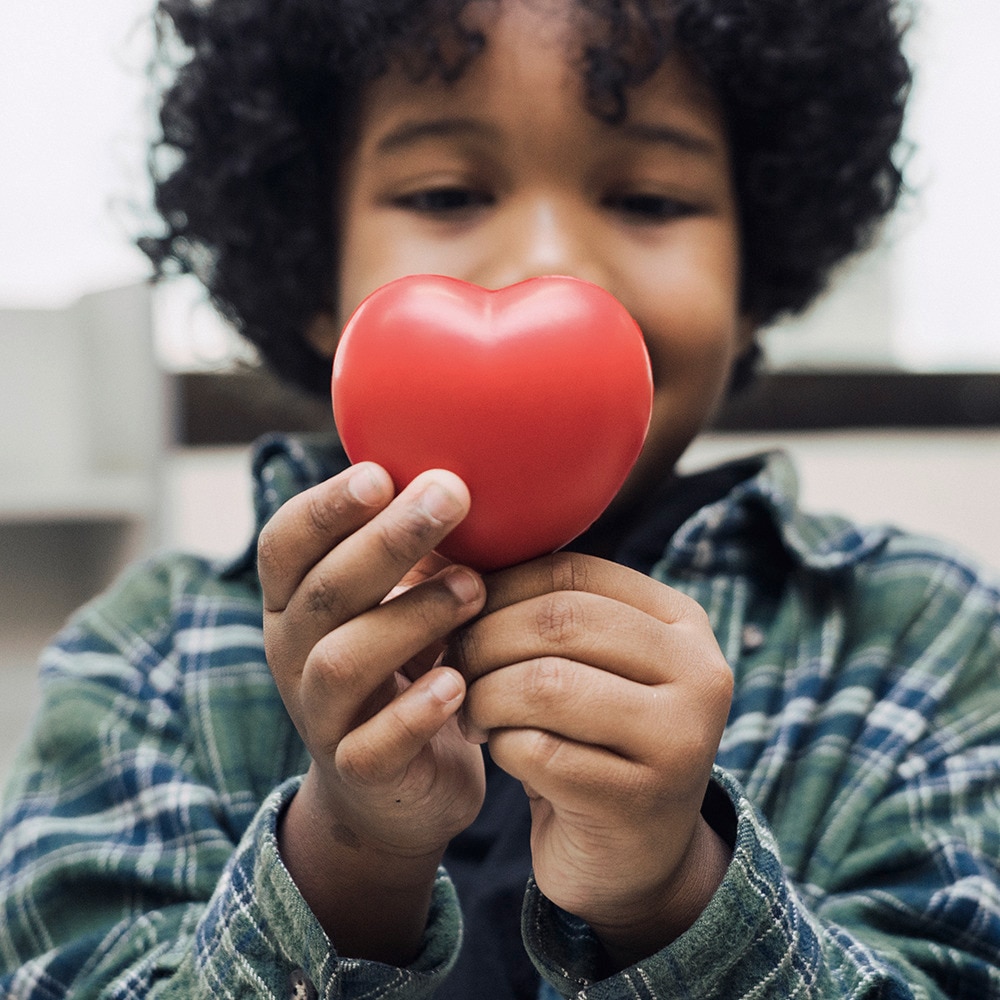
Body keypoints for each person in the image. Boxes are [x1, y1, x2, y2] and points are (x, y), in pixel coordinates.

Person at [2, 0, 998, 997]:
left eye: (649, 199)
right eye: (445, 193)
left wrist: (676, 891)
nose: (548, 261)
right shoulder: (147, 662)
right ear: (310, 265)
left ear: (756, 277)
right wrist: (347, 854)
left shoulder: (922, 637)